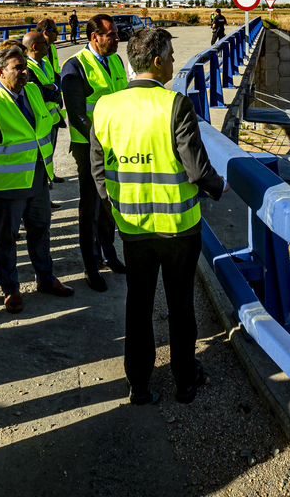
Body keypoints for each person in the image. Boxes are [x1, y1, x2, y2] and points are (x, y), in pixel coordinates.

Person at [90, 27, 226, 405]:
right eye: (168, 54)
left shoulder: (106, 106)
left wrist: (116, 209)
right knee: (180, 307)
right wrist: (219, 187)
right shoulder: (175, 105)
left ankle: (139, 385)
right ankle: (184, 381)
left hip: (133, 230)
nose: (171, 61)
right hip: (178, 230)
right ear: (156, 61)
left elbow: (99, 173)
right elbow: (197, 171)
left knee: (138, 306)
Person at [0, 45, 74, 313]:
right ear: (0, 72)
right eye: (18, 68)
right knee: (6, 240)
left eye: (25, 66)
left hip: (38, 180)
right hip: (9, 186)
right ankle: (11, 290)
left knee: (41, 232)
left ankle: (46, 278)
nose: (25, 72)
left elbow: (45, 121)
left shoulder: (32, 91)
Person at [61, 14, 128, 291]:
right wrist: (102, 143)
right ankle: (91, 265)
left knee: (109, 204)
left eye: (115, 34)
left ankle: (109, 253)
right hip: (90, 148)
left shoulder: (115, 60)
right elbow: (77, 115)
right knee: (91, 207)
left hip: (118, 145)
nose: (116, 38)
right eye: (110, 34)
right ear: (94, 37)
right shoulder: (75, 67)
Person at [22, 31, 63, 208]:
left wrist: (53, 87)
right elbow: (37, 91)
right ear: (35, 46)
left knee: (47, 159)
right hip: (38, 123)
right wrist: (54, 91)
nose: (49, 46)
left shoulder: (45, 63)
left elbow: (59, 80)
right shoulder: (27, 67)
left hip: (51, 119)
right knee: (37, 164)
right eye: (45, 44)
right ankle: (39, 201)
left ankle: (45, 197)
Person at [34, 19, 66, 183]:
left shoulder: (51, 49)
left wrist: (54, 85)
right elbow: (40, 88)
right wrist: (54, 88)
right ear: (46, 32)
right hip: (42, 111)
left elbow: (55, 76)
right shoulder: (34, 54)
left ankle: (50, 175)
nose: (58, 34)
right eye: (55, 30)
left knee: (51, 147)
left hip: (53, 108)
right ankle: (45, 179)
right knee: (43, 148)